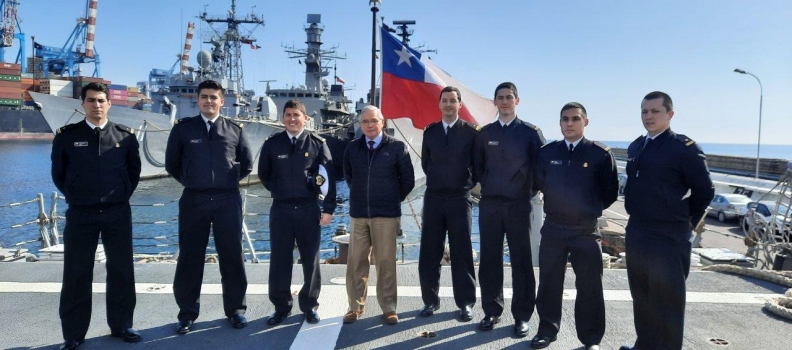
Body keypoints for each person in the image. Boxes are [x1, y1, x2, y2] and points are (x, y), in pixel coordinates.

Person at [620, 91, 714, 350]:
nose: (648, 117)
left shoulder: (684, 149)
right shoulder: (636, 146)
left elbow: (705, 190)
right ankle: (645, 345)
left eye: (654, 111)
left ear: (670, 114)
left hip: (668, 235)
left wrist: (686, 219)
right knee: (642, 297)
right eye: (644, 112)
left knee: (668, 302)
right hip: (638, 230)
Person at [51, 82, 142, 350]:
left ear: (109, 104)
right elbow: (59, 174)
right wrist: (77, 195)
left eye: (101, 100)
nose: (97, 105)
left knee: (121, 270)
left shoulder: (125, 136)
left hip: (117, 212)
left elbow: (133, 172)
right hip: (81, 214)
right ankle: (73, 334)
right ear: (83, 105)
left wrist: (121, 193)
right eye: (91, 100)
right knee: (77, 273)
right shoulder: (67, 136)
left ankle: (123, 324)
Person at [165, 79, 253, 334]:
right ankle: (187, 313)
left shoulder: (235, 129)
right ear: (198, 100)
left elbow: (246, 163)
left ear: (222, 101)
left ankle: (236, 310)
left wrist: (226, 182)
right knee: (190, 257)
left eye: (214, 97)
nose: (209, 101)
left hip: (227, 200)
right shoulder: (183, 129)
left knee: (232, 256)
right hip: (194, 200)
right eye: (204, 97)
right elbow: (172, 164)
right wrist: (193, 181)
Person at [531, 103, 618, 350]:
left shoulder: (600, 154)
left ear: (585, 122)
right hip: (555, 227)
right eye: (565, 119)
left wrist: (587, 208)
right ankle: (546, 330)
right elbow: (539, 182)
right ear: (559, 123)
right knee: (549, 283)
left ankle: (591, 339)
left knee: (590, 285)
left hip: (585, 229)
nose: (570, 123)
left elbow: (610, 191)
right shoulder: (547, 153)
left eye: (575, 119)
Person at [474, 82, 545, 337]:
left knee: (521, 261)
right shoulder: (484, 133)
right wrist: (491, 185)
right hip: (490, 204)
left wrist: (527, 191)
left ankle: (522, 316)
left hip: (518, 204)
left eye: (509, 97)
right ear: (494, 102)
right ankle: (491, 311)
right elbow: (478, 167)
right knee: (490, 260)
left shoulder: (530, 133)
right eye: (500, 98)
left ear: (517, 100)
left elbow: (540, 169)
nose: (505, 102)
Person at [258, 99, 336, 326]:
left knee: (310, 260)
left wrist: (328, 209)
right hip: (281, 209)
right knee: (280, 259)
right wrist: (280, 190)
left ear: (305, 118)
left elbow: (328, 178)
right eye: (288, 115)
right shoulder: (272, 144)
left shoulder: (317, 144)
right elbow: (264, 174)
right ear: (283, 118)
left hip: (307, 209)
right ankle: (281, 307)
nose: (292, 119)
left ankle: (309, 305)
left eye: (297, 115)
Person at [342, 105, 415, 325]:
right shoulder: (352, 149)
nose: (370, 125)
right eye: (365, 122)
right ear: (360, 124)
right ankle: (355, 306)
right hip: (359, 214)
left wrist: (390, 199)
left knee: (385, 263)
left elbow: (408, 181)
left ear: (382, 122)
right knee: (356, 262)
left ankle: (389, 307)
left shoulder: (396, 148)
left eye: (374, 121)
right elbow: (349, 177)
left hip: (386, 214)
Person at [418, 86, 478, 322]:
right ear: (439, 104)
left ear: (459, 105)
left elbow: (478, 166)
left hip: (459, 198)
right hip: (434, 198)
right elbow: (426, 164)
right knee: (430, 251)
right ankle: (430, 301)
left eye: (453, 101)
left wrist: (464, 182)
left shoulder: (471, 133)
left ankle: (465, 303)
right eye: (445, 100)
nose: (449, 104)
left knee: (461, 252)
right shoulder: (430, 132)